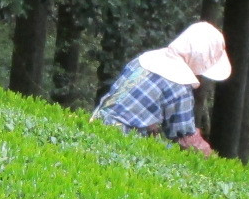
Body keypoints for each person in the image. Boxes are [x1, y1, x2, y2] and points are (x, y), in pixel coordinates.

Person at [92, 21, 230, 153]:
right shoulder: (179, 83)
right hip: (122, 138)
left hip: (96, 123)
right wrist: (208, 154)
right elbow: (186, 141)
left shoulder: (144, 59)